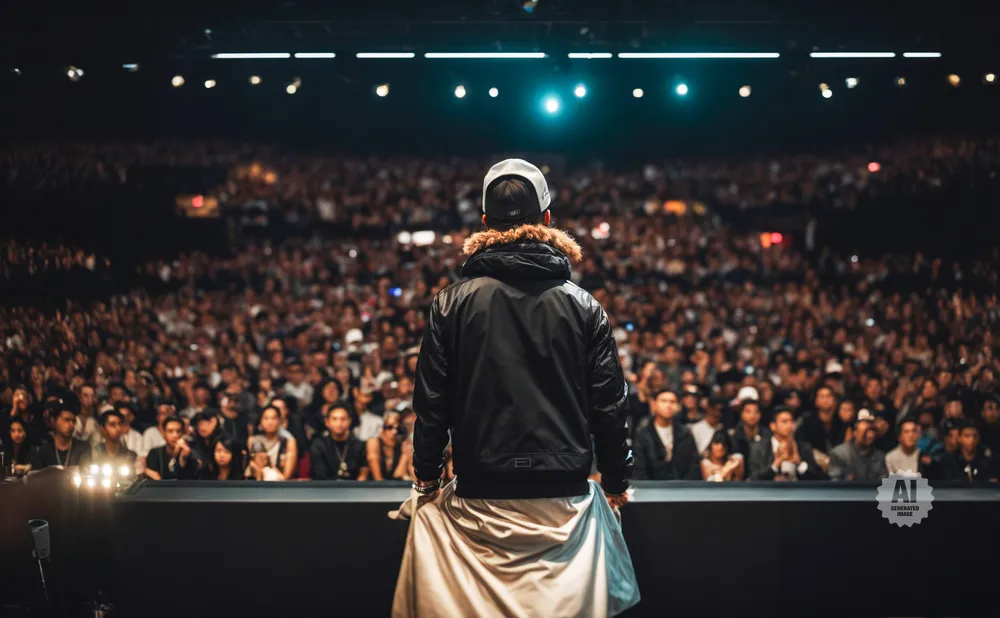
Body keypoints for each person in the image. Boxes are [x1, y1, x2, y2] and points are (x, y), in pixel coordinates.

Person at [395, 159, 640, 618]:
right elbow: (609, 405)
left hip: (479, 492)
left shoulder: (450, 304)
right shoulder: (584, 306)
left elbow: (432, 405)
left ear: (484, 222)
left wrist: (426, 480)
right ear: (547, 219)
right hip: (564, 496)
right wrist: (616, 481)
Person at [632, 388, 701, 480]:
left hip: (681, 486)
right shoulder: (643, 433)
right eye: (663, 401)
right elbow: (638, 469)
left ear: (678, 406)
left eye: (673, 402)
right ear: (654, 404)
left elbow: (693, 466)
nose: (668, 405)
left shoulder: (685, 433)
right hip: (649, 486)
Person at [748, 407, 825, 481]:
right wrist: (777, 463)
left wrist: (799, 463)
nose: (789, 425)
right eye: (784, 422)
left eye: (792, 421)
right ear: (773, 426)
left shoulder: (804, 448)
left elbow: (819, 479)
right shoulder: (758, 448)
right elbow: (754, 478)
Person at [309, 404, 369, 480]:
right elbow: (319, 475)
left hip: (354, 486)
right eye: (334, 419)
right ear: (327, 422)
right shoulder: (319, 445)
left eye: (343, 419)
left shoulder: (359, 445)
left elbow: (363, 474)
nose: (339, 423)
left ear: (349, 421)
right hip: (326, 486)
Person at [827, 409, 888, 482]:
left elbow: (883, 482)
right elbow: (835, 483)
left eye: (872, 431)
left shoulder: (879, 456)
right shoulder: (840, 454)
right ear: (855, 432)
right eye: (865, 432)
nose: (870, 435)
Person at [30, 396, 90, 469]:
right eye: (67, 420)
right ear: (54, 421)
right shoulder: (44, 451)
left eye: (73, 421)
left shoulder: (83, 448)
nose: (71, 425)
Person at [144, 416, 201, 480]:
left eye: (178, 431)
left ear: (183, 433)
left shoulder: (190, 453)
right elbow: (153, 478)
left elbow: (190, 480)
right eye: (170, 431)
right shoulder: (154, 453)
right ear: (163, 433)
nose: (175, 435)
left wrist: (183, 458)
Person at [249, 405, 298, 480]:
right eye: (266, 418)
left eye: (274, 418)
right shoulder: (253, 440)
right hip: (256, 482)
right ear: (260, 421)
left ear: (280, 421)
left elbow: (287, 476)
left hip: (280, 483)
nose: (270, 422)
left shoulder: (288, 442)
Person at [366, 411, 410, 480]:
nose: (394, 432)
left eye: (398, 429)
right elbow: (377, 479)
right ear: (382, 428)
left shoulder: (402, 446)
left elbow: (398, 475)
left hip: (394, 485)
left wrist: (405, 456)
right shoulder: (374, 442)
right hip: (373, 485)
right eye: (390, 427)